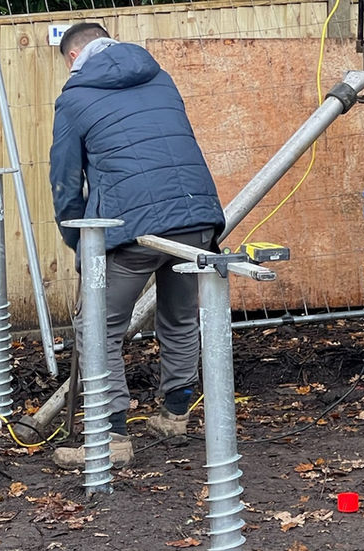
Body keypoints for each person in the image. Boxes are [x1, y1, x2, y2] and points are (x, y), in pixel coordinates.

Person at [48, 22, 226, 468]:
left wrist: (80, 244)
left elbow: (66, 183)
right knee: (181, 317)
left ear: (72, 58)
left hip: (133, 228)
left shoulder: (75, 97)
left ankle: (110, 436)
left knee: (98, 326)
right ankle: (176, 415)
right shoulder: (160, 76)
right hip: (197, 216)